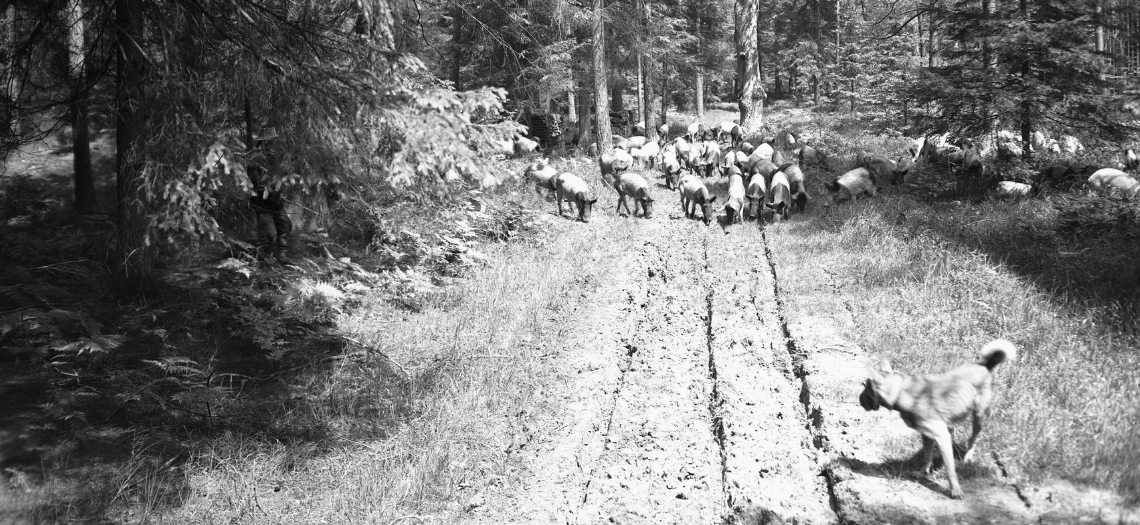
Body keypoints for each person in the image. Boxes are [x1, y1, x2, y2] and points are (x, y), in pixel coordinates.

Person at [246, 127, 294, 265]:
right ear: (264, 141)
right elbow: (256, 184)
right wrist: (270, 191)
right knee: (264, 234)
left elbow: (277, 179)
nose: (273, 143)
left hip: (275, 202)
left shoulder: (272, 157)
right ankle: (262, 262)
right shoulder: (254, 159)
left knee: (285, 225)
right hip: (261, 203)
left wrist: (279, 193)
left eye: (273, 140)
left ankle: (282, 258)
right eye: (270, 140)